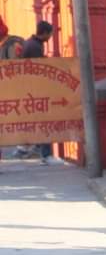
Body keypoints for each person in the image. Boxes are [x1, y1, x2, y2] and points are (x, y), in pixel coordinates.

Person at [18, 21, 59, 165]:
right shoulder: (34, 46)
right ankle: (45, 153)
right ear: (45, 33)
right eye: (50, 33)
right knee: (44, 120)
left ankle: (31, 147)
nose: (51, 36)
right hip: (34, 90)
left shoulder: (32, 43)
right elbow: (39, 69)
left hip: (32, 89)